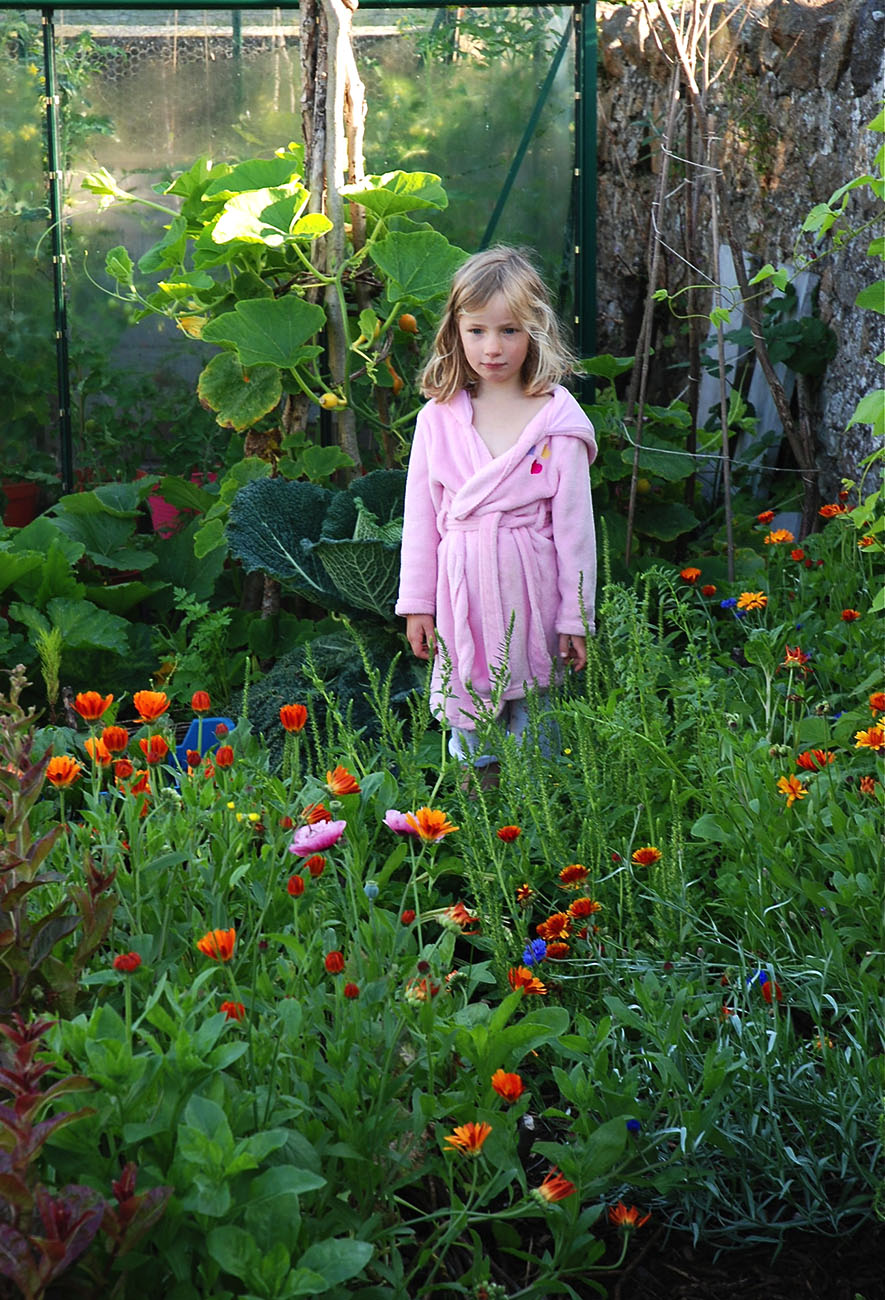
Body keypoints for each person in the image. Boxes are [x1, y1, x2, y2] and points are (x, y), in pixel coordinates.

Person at [395, 246, 597, 774]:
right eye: (477, 330)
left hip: (533, 595)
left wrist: (575, 616)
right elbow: (421, 522)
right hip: (462, 596)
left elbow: (575, 530)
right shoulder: (438, 419)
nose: (493, 348)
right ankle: (477, 825)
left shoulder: (556, 421)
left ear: (535, 332)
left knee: (539, 731)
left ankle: (541, 829)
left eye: (509, 331)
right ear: (455, 332)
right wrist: (418, 604)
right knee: (470, 736)